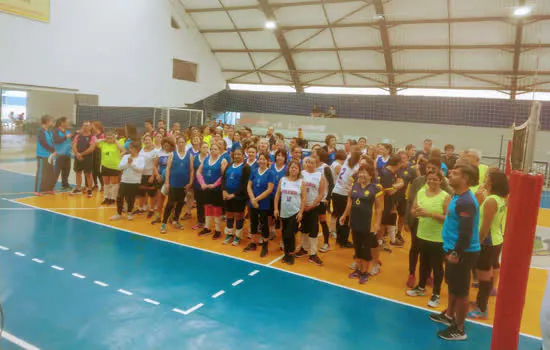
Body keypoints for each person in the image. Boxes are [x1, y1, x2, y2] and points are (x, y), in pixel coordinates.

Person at [429, 165, 480, 341]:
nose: (450, 174)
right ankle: (449, 315)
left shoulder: (466, 201)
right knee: (452, 284)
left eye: (456, 173)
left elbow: (466, 233)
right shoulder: (458, 197)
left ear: (465, 179)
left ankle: (459, 328)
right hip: (453, 248)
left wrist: (457, 253)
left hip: (463, 252)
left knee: (461, 291)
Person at [468, 170, 509, 319]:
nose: (484, 180)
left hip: (488, 242)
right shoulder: (499, 199)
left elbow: (485, 227)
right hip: (496, 240)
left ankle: (482, 308)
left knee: (483, 276)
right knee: (488, 273)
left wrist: (477, 243)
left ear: (491, 182)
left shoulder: (491, 201)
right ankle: (480, 302)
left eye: (486, 179)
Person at [406, 171, 451, 308]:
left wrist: (430, 214)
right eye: (429, 179)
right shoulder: (421, 192)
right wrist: (416, 212)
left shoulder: (445, 196)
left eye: (435, 179)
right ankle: (421, 287)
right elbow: (413, 209)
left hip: (437, 238)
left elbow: (448, 218)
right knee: (424, 263)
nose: (432, 181)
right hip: (422, 234)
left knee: (437, 266)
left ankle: (436, 294)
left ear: (441, 181)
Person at [340, 163, 383, 284]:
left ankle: (365, 272)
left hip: (368, 224)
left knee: (365, 249)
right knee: (357, 247)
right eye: (360, 172)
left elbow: (379, 209)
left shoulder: (376, 188)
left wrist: (377, 224)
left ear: (370, 175)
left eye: (365, 172)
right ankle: (358, 269)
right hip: (355, 222)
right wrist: (344, 215)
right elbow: (350, 203)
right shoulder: (355, 186)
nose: (362, 174)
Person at [294, 156, 326, 266]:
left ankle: (313, 253)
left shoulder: (320, 176)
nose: (309, 164)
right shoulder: (301, 174)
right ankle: (303, 248)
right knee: (303, 228)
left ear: (316, 164)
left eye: (312, 162)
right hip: (302, 206)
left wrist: (312, 205)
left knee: (313, 229)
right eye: (307, 162)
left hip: (313, 206)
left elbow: (321, 193)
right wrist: (302, 205)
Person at [274, 160, 305, 265]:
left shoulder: (301, 182)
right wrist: (276, 209)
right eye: (292, 167)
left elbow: (303, 198)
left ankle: (291, 254)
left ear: (299, 170)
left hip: (295, 212)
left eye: (296, 168)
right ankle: (286, 253)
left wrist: (301, 212)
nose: (293, 169)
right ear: (289, 168)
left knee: (290, 234)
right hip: (284, 212)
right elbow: (277, 195)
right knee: (284, 233)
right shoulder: (283, 180)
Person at [160, 136, 194, 234]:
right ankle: (164, 224)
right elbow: (168, 169)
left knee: (180, 203)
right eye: (179, 142)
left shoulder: (190, 155)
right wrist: (167, 182)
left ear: (185, 143)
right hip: (173, 184)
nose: (181, 144)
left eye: (183, 142)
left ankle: (175, 220)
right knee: (170, 203)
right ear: (177, 144)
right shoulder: (172, 154)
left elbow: (191, 170)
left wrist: (191, 182)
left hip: (183, 184)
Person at [245, 152, 275, 257]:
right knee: (253, 222)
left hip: (263, 202)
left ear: (267, 161)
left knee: (263, 223)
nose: (262, 161)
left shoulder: (270, 173)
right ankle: (253, 243)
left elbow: (270, 189)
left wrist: (256, 199)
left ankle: (265, 245)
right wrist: (252, 199)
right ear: (258, 160)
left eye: (264, 159)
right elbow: (249, 186)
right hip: (253, 201)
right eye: (260, 159)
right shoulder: (254, 171)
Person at [197, 143, 228, 239]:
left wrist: (214, 185)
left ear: (219, 151)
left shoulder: (222, 160)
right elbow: (198, 172)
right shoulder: (206, 159)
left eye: (216, 149)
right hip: (206, 188)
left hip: (216, 190)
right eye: (212, 149)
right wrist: (202, 183)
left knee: (216, 209)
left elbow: (224, 176)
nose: (213, 150)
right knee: (207, 207)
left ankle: (218, 230)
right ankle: (207, 227)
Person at [332, 148, 361, 248]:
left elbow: (351, 154)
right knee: (346, 217)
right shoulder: (355, 168)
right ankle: (343, 241)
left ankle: (339, 239)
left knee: (339, 216)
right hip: (344, 194)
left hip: (336, 191)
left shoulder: (347, 162)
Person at [222, 148, 251, 245]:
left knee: (238, 216)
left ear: (243, 156)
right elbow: (223, 178)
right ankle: (229, 234)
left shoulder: (246, 167)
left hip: (239, 197)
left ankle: (238, 236)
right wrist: (224, 190)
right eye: (235, 154)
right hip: (227, 195)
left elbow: (244, 184)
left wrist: (233, 195)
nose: (237, 156)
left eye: (239, 154)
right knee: (229, 214)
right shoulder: (229, 165)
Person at [110, 142, 144, 221]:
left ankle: (129, 213)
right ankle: (118, 213)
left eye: (132, 148)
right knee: (120, 197)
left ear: (137, 150)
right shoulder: (126, 157)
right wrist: (127, 163)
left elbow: (140, 169)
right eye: (130, 148)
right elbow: (120, 167)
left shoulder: (141, 158)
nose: (130, 150)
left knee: (131, 198)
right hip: (124, 180)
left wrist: (131, 164)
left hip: (135, 181)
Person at [378, 154, 405, 249]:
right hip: (384, 201)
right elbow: (389, 191)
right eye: (401, 163)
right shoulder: (386, 173)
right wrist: (398, 186)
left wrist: (397, 185)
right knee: (382, 222)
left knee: (388, 220)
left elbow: (401, 181)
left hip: (390, 201)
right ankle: (379, 242)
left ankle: (387, 240)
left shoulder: (393, 172)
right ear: (398, 163)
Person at [95, 132, 125, 205]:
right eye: (108, 138)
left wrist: (115, 140)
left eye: (111, 138)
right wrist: (103, 139)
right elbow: (96, 142)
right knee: (106, 183)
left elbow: (123, 149)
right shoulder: (103, 144)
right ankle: (106, 197)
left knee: (114, 184)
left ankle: (113, 198)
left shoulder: (117, 144)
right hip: (105, 166)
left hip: (114, 166)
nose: (109, 139)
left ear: (113, 138)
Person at [152, 137, 175, 224]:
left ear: (171, 145)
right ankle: (158, 217)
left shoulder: (174, 154)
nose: (166, 146)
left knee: (171, 199)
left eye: (167, 144)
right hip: (161, 179)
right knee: (160, 198)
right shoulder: (159, 153)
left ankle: (172, 217)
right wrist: (157, 175)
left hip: (171, 179)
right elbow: (154, 166)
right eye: (164, 144)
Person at [135, 135, 158, 216]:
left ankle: (151, 209)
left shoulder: (155, 152)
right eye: (146, 140)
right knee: (141, 193)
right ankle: (140, 208)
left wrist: (153, 176)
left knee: (152, 193)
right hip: (141, 174)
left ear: (152, 141)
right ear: (144, 141)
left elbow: (155, 165)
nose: (147, 141)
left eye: (149, 140)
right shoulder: (141, 150)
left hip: (150, 174)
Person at [72, 121, 96, 197]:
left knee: (88, 174)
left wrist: (81, 154)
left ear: (90, 127)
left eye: (87, 125)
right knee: (78, 172)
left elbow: (91, 148)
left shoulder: (93, 137)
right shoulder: (78, 136)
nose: (85, 127)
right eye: (84, 125)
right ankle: (78, 188)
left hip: (87, 158)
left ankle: (89, 189)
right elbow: (74, 145)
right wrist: (77, 154)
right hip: (78, 157)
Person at [35, 115, 56, 194]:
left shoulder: (49, 131)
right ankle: (38, 190)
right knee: (41, 173)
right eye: (51, 120)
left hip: (49, 155)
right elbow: (43, 142)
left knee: (49, 172)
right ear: (47, 121)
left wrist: (54, 150)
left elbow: (51, 141)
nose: (52, 122)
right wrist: (52, 150)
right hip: (42, 155)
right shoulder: (40, 130)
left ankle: (48, 188)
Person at [192, 142, 209, 230]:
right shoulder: (195, 157)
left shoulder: (210, 158)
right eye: (203, 147)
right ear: (200, 149)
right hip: (197, 184)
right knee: (199, 203)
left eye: (207, 147)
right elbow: (192, 170)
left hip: (206, 184)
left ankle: (207, 222)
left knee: (207, 203)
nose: (205, 149)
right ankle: (200, 221)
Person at [52, 116, 72, 190]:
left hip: (67, 154)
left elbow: (69, 141)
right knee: (56, 171)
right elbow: (56, 140)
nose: (68, 123)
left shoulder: (67, 131)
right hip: (59, 154)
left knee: (66, 170)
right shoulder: (55, 131)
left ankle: (65, 184)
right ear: (62, 123)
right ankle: (51, 186)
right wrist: (65, 137)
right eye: (67, 122)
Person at [91, 121, 105, 191]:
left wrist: (96, 142)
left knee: (97, 170)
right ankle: (95, 184)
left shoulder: (102, 135)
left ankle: (102, 185)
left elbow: (100, 144)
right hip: (92, 153)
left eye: (93, 126)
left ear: (97, 127)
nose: (92, 127)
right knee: (93, 170)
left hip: (98, 153)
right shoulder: (92, 134)